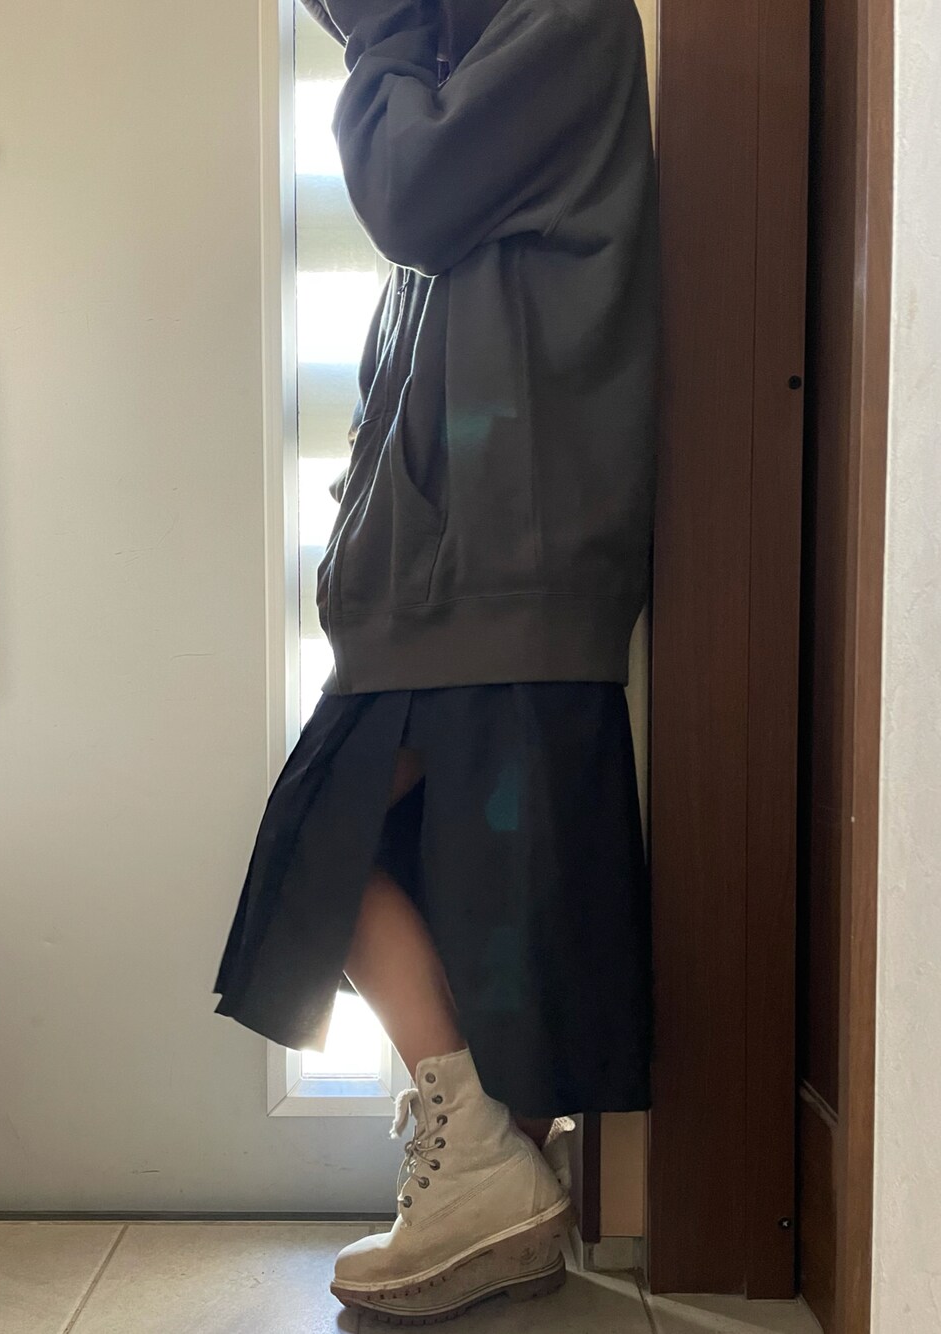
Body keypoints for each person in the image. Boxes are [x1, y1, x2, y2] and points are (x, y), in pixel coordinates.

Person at [214, 0, 660, 1321]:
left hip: (497, 577)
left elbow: (408, 197)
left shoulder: (560, 23)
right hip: (457, 582)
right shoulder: (471, 59)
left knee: (332, 854)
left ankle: (477, 1164)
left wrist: (381, 35)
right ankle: (481, 1166)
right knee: (413, 873)